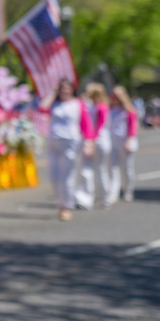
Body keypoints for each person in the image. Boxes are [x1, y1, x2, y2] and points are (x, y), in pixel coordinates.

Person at [38, 78, 95, 221]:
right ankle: (63, 201)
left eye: (67, 87)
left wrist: (89, 143)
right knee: (54, 177)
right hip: (53, 143)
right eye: (62, 88)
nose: (64, 90)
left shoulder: (78, 104)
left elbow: (86, 125)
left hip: (70, 143)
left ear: (72, 89)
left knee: (67, 177)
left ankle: (66, 207)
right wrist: (53, 92)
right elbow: (42, 108)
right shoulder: (54, 104)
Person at [76, 83, 111, 210]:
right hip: (93, 140)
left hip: (98, 141)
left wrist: (91, 142)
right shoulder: (92, 106)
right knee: (89, 170)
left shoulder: (100, 108)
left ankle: (104, 198)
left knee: (98, 169)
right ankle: (87, 198)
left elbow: (98, 127)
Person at [108, 85, 139, 203]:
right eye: (113, 95)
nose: (115, 98)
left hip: (126, 141)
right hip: (112, 141)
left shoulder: (129, 110)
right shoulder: (109, 109)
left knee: (127, 168)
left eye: (117, 96)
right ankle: (113, 192)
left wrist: (129, 141)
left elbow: (133, 128)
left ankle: (128, 191)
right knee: (113, 168)